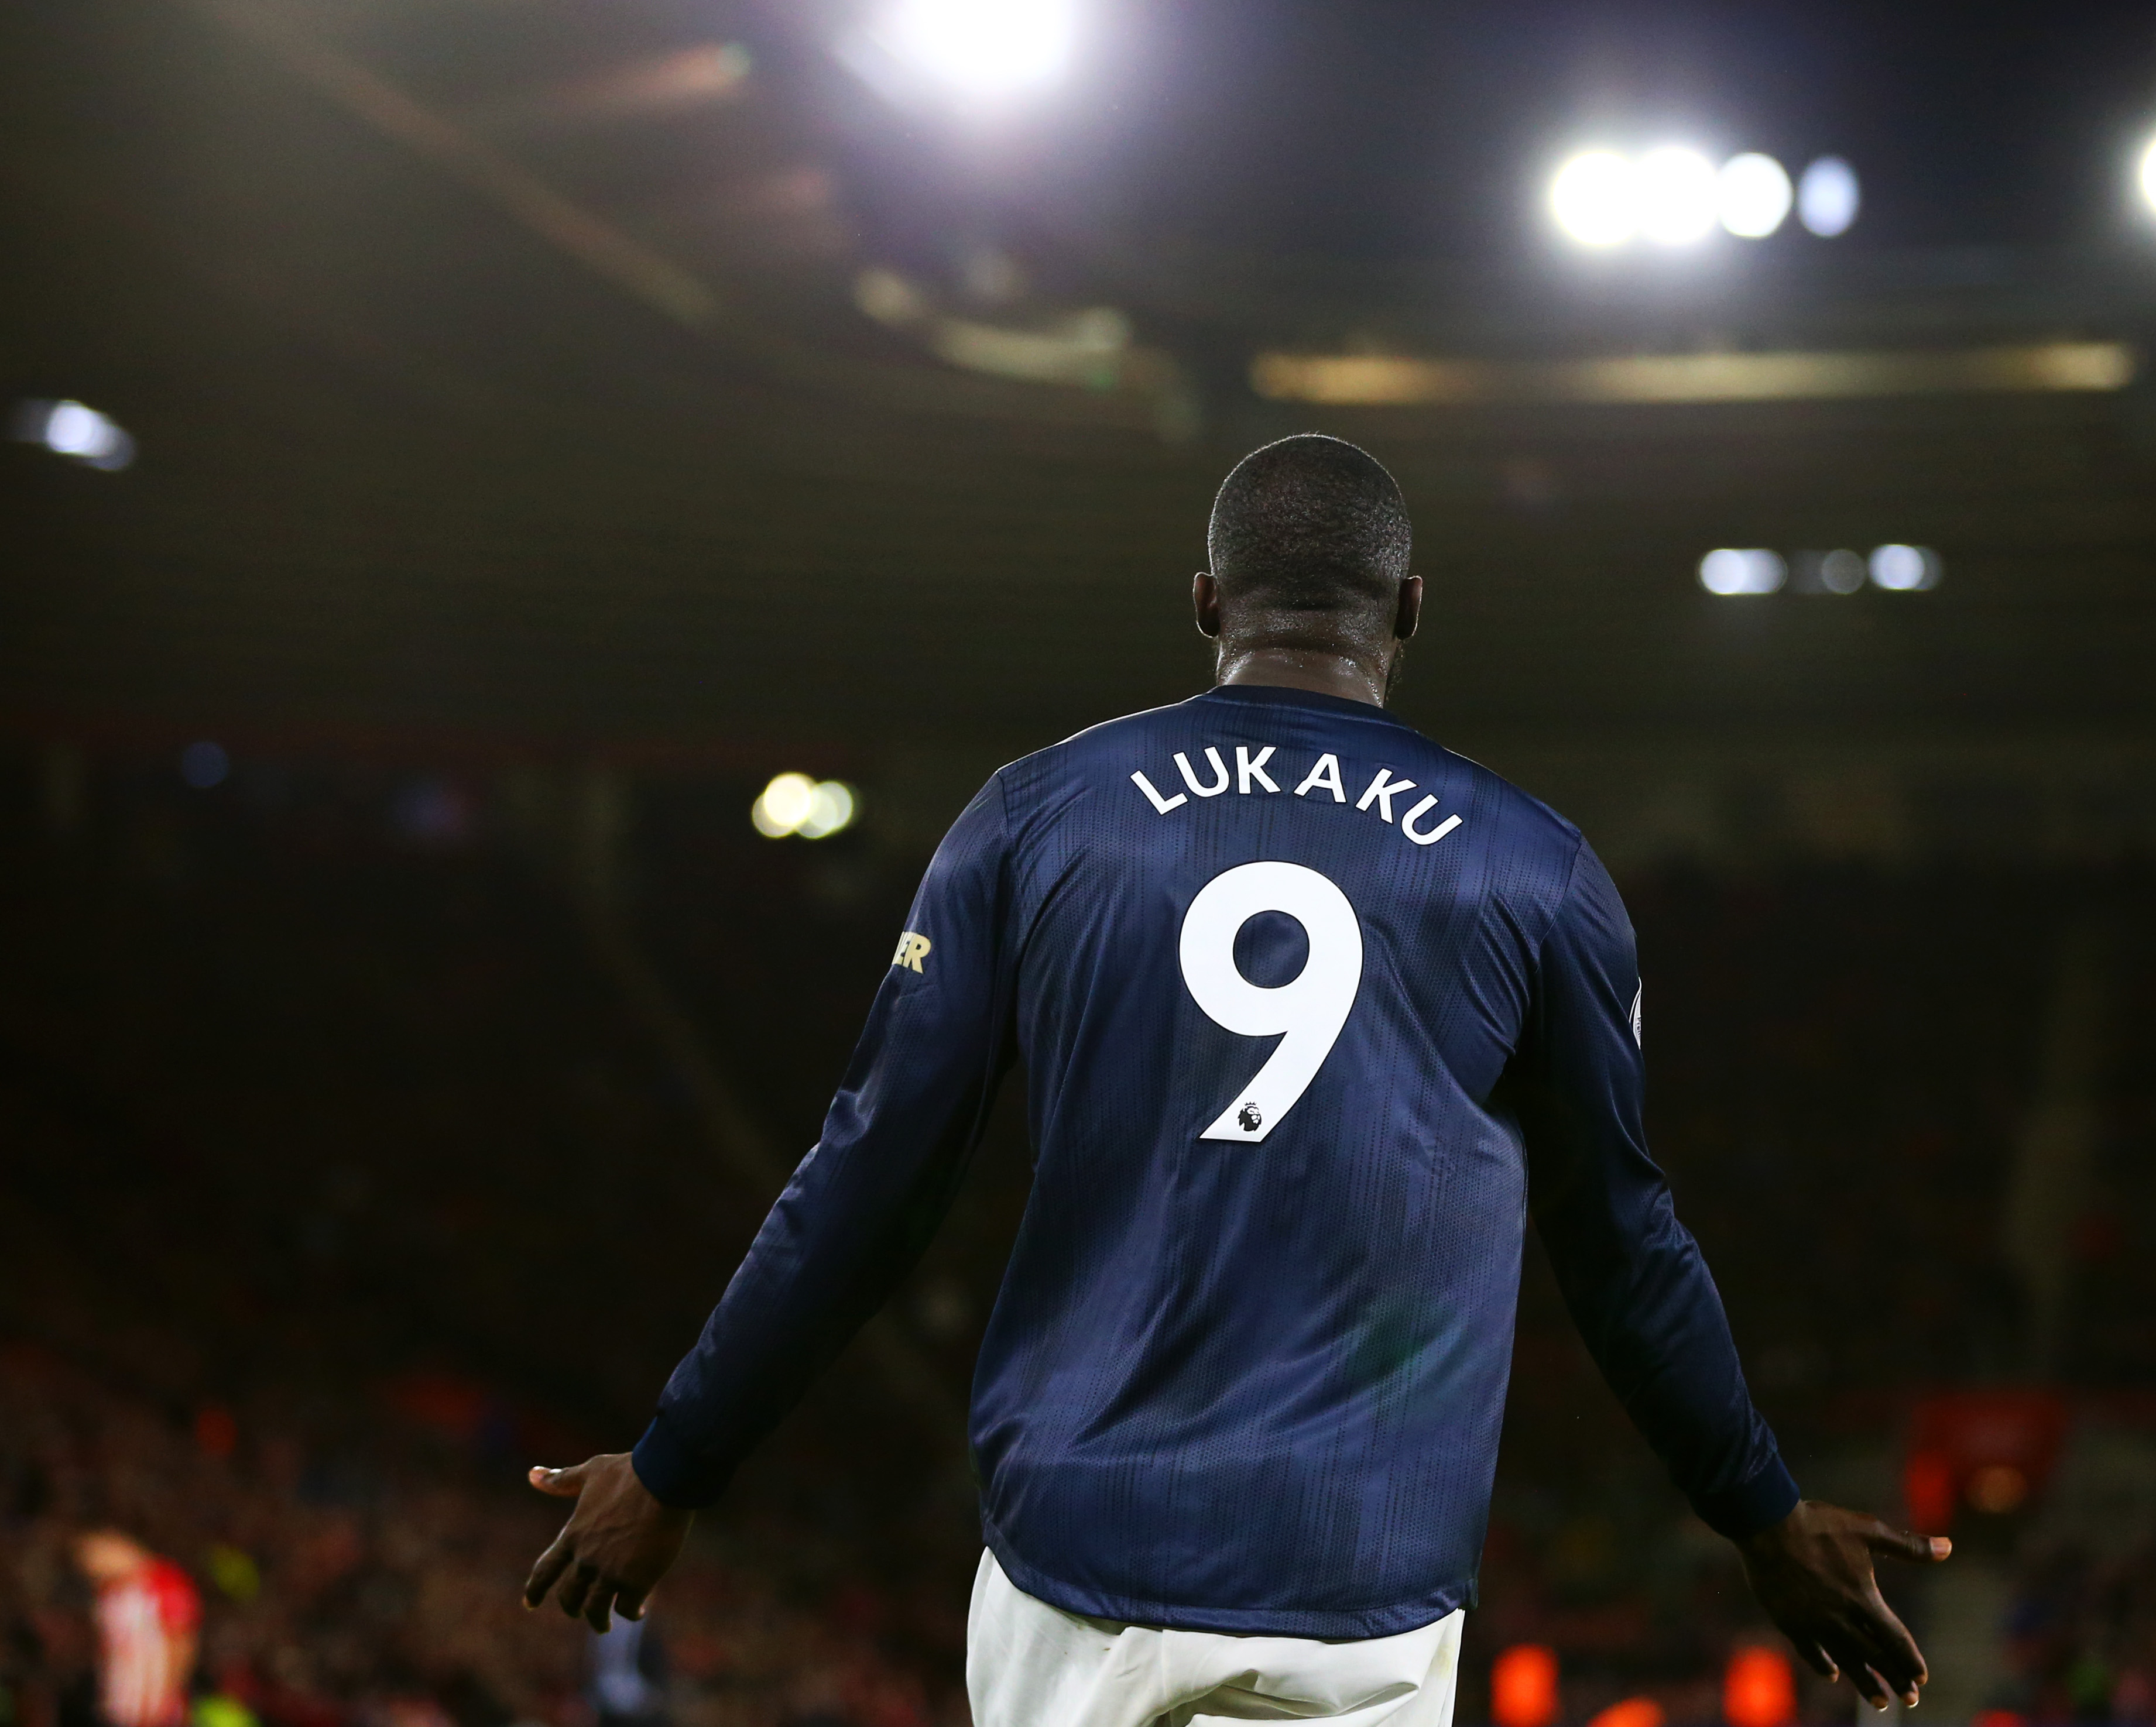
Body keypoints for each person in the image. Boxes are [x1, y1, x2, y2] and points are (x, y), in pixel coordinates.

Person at [522, 434, 1949, 1725]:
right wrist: (1758, 1511)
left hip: (1073, 1568)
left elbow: (872, 1173)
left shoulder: (1034, 818)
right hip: (1356, 1595)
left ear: (1205, 600)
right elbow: (1618, 1242)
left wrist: (675, 1461)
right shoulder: (1535, 867)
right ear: (1408, 610)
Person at [74, 1532, 199, 1727]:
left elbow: (182, 1642)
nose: (94, 1568)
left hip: (153, 1707)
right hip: (120, 1705)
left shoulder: (163, 1581)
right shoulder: (109, 1591)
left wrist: (167, 1695)